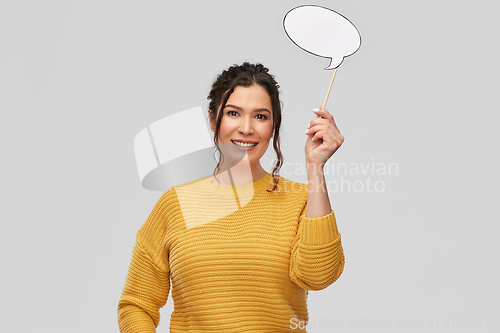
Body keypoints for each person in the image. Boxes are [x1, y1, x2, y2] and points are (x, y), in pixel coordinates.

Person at [117, 62, 345, 332]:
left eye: (260, 116)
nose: (246, 128)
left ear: (274, 126)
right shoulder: (175, 204)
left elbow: (318, 276)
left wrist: (315, 167)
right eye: (234, 113)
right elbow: (136, 304)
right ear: (213, 119)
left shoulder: (300, 201)